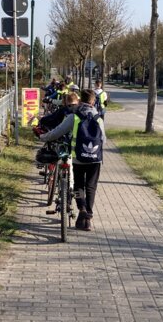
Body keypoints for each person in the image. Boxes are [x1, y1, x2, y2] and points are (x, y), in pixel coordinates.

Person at [39, 89, 105, 231]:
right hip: (95, 159)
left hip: (78, 158)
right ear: (93, 102)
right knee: (91, 187)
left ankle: (81, 209)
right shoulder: (98, 118)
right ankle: (88, 216)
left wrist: (43, 137)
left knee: (78, 186)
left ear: (81, 101)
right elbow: (103, 139)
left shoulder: (75, 116)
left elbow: (58, 131)